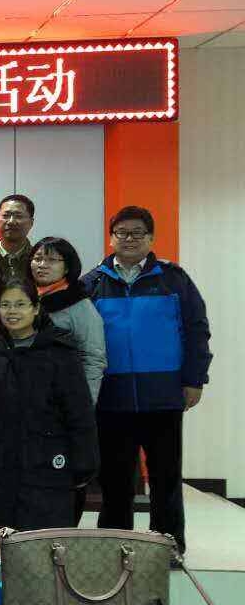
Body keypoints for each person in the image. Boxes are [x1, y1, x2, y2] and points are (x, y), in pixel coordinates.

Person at [82, 206, 212, 553]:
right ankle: (114, 548)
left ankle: (166, 547)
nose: (129, 239)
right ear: (111, 238)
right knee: (115, 481)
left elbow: (197, 330)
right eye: (122, 232)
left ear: (151, 238)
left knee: (165, 478)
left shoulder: (173, 279)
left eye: (137, 232)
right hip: (112, 398)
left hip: (163, 396)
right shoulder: (92, 283)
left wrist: (194, 379)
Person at [0, 279, 98, 531]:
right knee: (1, 538)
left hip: (49, 462)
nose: (12, 311)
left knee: (47, 538)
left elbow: (79, 412)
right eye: (5, 305)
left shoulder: (60, 351)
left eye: (20, 304)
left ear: (35, 308)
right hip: (1, 462)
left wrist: (84, 463)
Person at [29, 237, 106, 403]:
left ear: (67, 268)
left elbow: (93, 359)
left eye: (52, 260)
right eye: (37, 259)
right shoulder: (24, 298)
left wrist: (84, 404)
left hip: (64, 397)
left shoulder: (79, 304)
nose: (42, 265)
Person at [0, 195, 35, 284]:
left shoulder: (37, 259)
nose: (11, 221)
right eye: (6, 215)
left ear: (31, 223)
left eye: (18, 216)